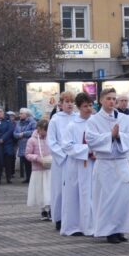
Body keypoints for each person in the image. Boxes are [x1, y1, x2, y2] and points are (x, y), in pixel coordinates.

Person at [86, 88, 129, 244]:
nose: (112, 101)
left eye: (114, 99)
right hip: (105, 164)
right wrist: (110, 136)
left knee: (123, 199)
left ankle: (120, 229)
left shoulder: (124, 119)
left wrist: (119, 135)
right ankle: (109, 231)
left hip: (121, 162)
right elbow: (91, 139)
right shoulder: (94, 120)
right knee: (107, 199)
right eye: (108, 98)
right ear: (101, 100)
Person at [60, 93, 95, 237]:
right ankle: (73, 226)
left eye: (90, 105)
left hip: (93, 164)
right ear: (79, 107)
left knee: (91, 194)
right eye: (85, 106)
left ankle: (91, 226)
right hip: (75, 165)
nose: (89, 109)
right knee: (73, 195)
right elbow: (67, 146)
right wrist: (87, 150)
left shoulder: (95, 123)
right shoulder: (72, 125)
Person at [46, 92, 77, 230]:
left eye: (72, 101)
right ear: (61, 104)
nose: (70, 104)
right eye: (67, 101)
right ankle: (59, 218)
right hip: (62, 160)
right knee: (59, 190)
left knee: (74, 190)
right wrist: (64, 155)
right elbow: (51, 142)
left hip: (75, 159)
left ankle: (73, 217)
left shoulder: (77, 118)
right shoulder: (55, 120)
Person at [23, 118, 53, 221]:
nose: (46, 132)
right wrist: (37, 158)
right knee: (40, 191)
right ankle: (43, 210)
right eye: (44, 130)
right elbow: (27, 154)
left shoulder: (50, 138)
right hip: (38, 170)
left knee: (49, 190)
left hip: (49, 169)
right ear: (39, 129)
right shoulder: (32, 140)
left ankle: (50, 209)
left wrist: (52, 158)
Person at [0, 107, 17, 184]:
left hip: (7, 144)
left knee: (8, 161)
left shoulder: (8, 121)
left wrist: (3, 139)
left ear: (3, 113)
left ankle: (8, 178)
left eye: (0, 111)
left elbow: (10, 131)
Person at [14, 108, 37, 183]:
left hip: (29, 145)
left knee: (30, 162)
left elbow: (34, 131)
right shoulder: (18, 123)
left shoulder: (32, 122)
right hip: (22, 145)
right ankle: (28, 178)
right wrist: (18, 135)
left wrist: (23, 134)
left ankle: (32, 178)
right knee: (25, 162)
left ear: (26, 114)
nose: (19, 115)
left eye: (21, 113)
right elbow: (14, 133)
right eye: (20, 113)